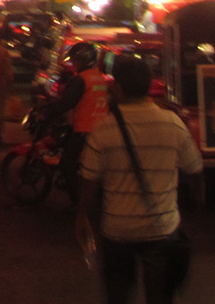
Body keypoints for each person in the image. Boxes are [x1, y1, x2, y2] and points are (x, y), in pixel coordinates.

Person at [77, 55, 204, 304]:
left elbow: (89, 180)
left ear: (119, 88)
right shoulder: (173, 125)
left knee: (118, 295)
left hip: (117, 230)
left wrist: (81, 217)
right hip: (161, 228)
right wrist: (196, 200)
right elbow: (195, 171)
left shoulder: (103, 130)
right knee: (160, 297)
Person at [48, 40, 110, 198]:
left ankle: (79, 202)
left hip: (84, 130)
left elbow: (67, 103)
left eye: (75, 60)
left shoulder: (81, 79)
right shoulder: (99, 77)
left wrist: (47, 113)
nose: (74, 64)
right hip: (101, 129)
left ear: (80, 60)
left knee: (67, 165)